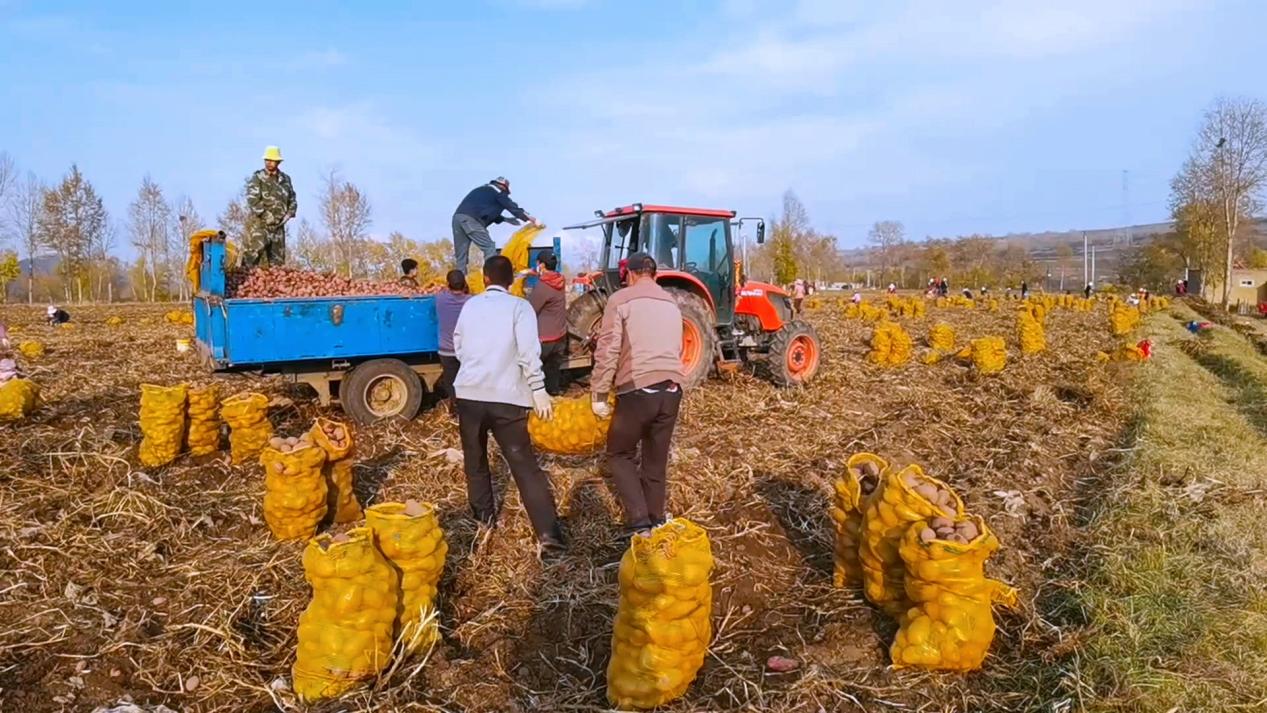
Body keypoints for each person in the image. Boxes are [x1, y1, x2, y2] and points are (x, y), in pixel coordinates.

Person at [452, 255, 564, 557]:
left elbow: (458, 345)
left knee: (475, 462)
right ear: (511, 280)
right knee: (524, 466)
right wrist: (538, 389)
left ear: (485, 278)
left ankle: (483, 523)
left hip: (470, 395)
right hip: (508, 399)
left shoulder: (470, 306)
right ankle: (549, 537)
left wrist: (478, 369)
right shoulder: (520, 307)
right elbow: (529, 352)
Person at [590, 252, 685, 536]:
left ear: (629, 275)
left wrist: (598, 393)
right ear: (654, 275)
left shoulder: (620, 300)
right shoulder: (672, 302)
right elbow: (677, 347)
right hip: (672, 389)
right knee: (656, 460)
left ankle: (640, 522)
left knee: (620, 453)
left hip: (638, 388)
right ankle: (657, 520)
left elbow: (608, 351)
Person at [452, 177, 540, 273]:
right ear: (503, 187)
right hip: (471, 220)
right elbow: (511, 206)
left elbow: (486, 211)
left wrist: (506, 219)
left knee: (461, 256)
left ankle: (459, 284)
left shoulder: (482, 190)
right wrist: (529, 218)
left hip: (457, 219)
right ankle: (491, 278)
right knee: (489, 247)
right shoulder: (498, 191)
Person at [242, 146, 297, 267]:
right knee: (251, 259)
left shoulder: (285, 179)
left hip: (279, 227)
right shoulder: (258, 178)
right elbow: (252, 200)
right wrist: (266, 215)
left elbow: (292, 198)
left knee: (278, 266)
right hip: (261, 226)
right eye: (267, 160)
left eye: (272, 160)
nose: (269, 162)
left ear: (278, 162)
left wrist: (289, 214)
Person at [528, 251, 568, 396]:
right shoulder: (560, 279)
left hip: (544, 340)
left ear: (542, 265)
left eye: (538, 263)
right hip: (560, 337)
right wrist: (535, 274)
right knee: (553, 375)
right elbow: (548, 278)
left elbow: (530, 309)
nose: (536, 265)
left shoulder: (542, 287)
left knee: (538, 377)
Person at [435, 270, 470, 412]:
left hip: (446, 350)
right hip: (466, 350)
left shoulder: (440, 299)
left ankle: (455, 407)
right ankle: (467, 409)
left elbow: (441, 291)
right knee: (467, 381)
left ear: (448, 284)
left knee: (451, 381)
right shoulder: (470, 301)